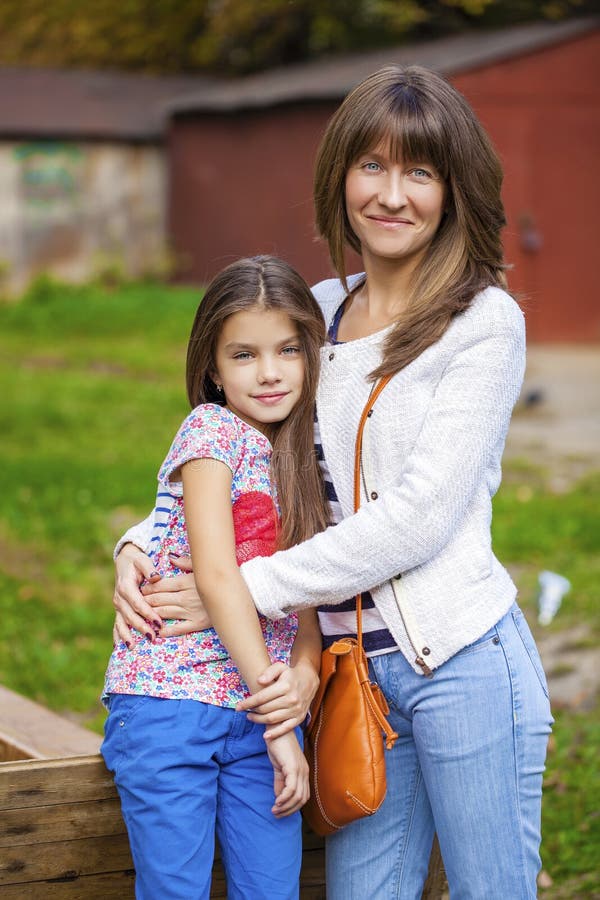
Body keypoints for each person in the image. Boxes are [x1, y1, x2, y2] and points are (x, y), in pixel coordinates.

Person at [113, 66, 553, 899]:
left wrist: (236, 593)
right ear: (341, 176)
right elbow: (243, 458)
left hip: (460, 662)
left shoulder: (485, 323)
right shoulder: (314, 314)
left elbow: (418, 518)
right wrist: (140, 542)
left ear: (453, 190)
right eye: (373, 167)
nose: (393, 195)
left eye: (420, 172)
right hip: (349, 678)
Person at [101, 255, 330, 900]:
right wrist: (283, 729)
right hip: (172, 704)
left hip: (258, 712)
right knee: (175, 889)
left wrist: (300, 688)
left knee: (272, 888)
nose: (269, 372)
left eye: (288, 349)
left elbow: (304, 601)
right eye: (243, 354)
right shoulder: (212, 431)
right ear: (211, 367)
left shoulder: (305, 456)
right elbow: (216, 573)